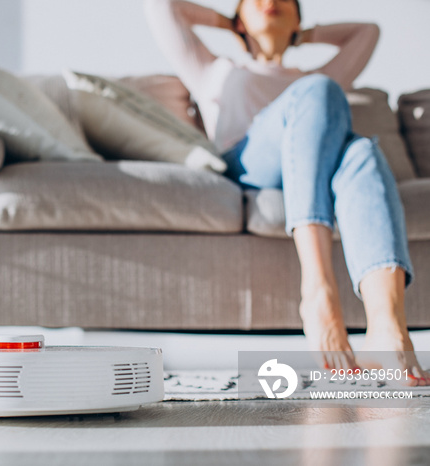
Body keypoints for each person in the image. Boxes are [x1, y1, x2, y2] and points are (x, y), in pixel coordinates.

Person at [145, 0, 429, 385]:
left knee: (362, 151)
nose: (270, 2)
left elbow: (367, 32)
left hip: (313, 162)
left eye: (283, 0)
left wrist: (300, 37)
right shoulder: (216, 69)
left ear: (298, 18)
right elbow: (162, 6)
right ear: (239, 18)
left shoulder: (309, 73)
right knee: (318, 89)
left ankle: (387, 325)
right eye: (255, 0)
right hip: (250, 160)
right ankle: (318, 289)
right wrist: (230, 25)